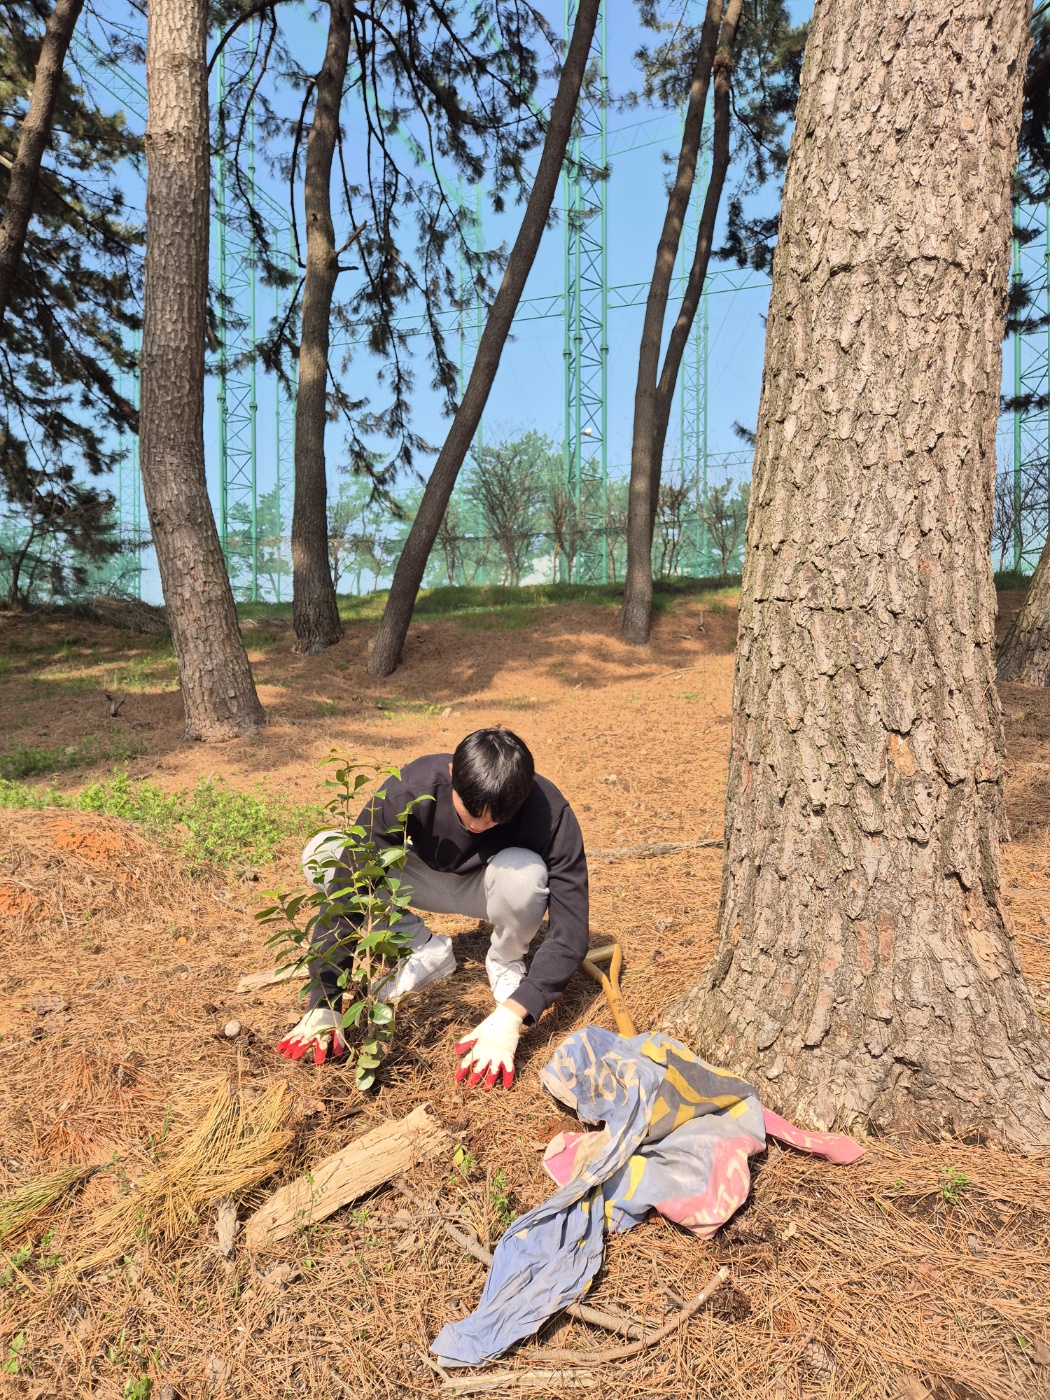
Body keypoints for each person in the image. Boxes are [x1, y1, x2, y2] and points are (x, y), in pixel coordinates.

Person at [276, 727, 589, 1090]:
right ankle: (422, 947)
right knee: (327, 853)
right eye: (471, 811)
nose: (479, 825)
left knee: (526, 874)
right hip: (419, 880)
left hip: (491, 888)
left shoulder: (549, 811)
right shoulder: (412, 787)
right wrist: (324, 998)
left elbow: (570, 931)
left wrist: (514, 1013)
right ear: (453, 773)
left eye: (495, 819)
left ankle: (505, 961)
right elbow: (351, 884)